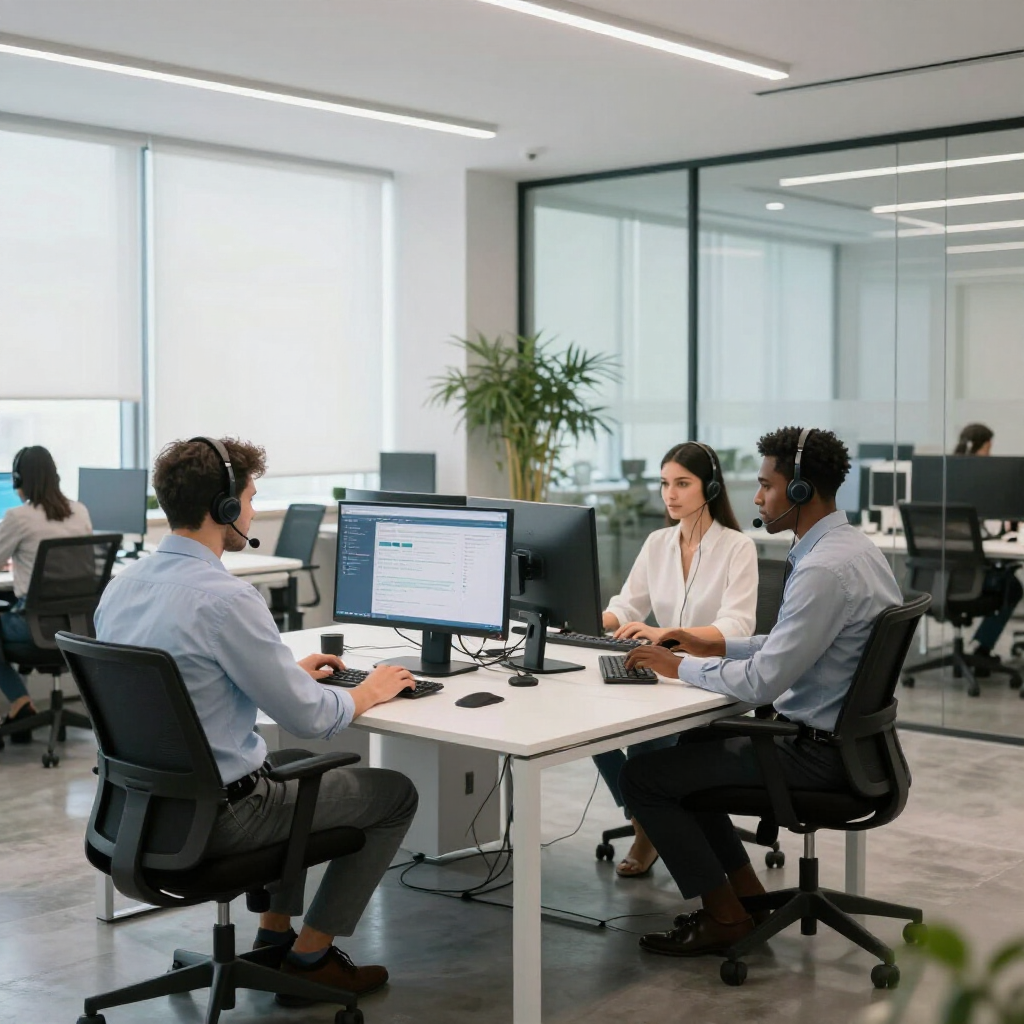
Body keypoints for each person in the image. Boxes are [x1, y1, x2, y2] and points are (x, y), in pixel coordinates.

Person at [94, 437, 419, 1003]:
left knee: (290, 765)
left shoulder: (121, 589)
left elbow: (185, 688)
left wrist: (282, 672)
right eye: (248, 498)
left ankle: (275, 938)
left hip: (135, 816)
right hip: (218, 821)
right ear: (222, 508)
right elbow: (314, 717)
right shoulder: (227, 600)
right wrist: (367, 691)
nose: (248, 510)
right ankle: (312, 957)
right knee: (393, 793)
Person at [618, 426, 902, 958]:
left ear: (799, 492)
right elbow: (786, 643)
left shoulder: (823, 569)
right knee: (693, 752)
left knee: (644, 777)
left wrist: (677, 667)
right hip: (854, 748)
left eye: (767, 486)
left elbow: (763, 682)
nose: (756, 497)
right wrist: (712, 649)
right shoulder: (854, 549)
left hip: (817, 757)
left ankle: (725, 917)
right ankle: (745, 898)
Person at [597, 442, 757, 878]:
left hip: (709, 678)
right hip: (662, 673)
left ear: (711, 488)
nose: (670, 494)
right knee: (596, 733)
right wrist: (588, 617)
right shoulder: (657, 543)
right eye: (665, 483)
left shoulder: (737, 547)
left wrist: (667, 635)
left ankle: (648, 829)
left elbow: (737, 627)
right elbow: (628, 606)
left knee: (646, 743)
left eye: (682, 483)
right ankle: (645, 820)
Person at [0, 446, 93, 747]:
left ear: (18, 479)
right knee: (13, 606)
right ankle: (21, 710)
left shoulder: (18, 517)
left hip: (35, 629)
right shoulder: (80, 511)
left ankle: (19, 700)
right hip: (78, 626)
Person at [952, 423, 1022, 662]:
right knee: (1012, 587)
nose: (990, 456)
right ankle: (982, 648)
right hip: (972, 576)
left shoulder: (947, 475)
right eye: (988, 449)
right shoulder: (982, 478)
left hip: (937, 576)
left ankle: (979, 648)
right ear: (980, 449)